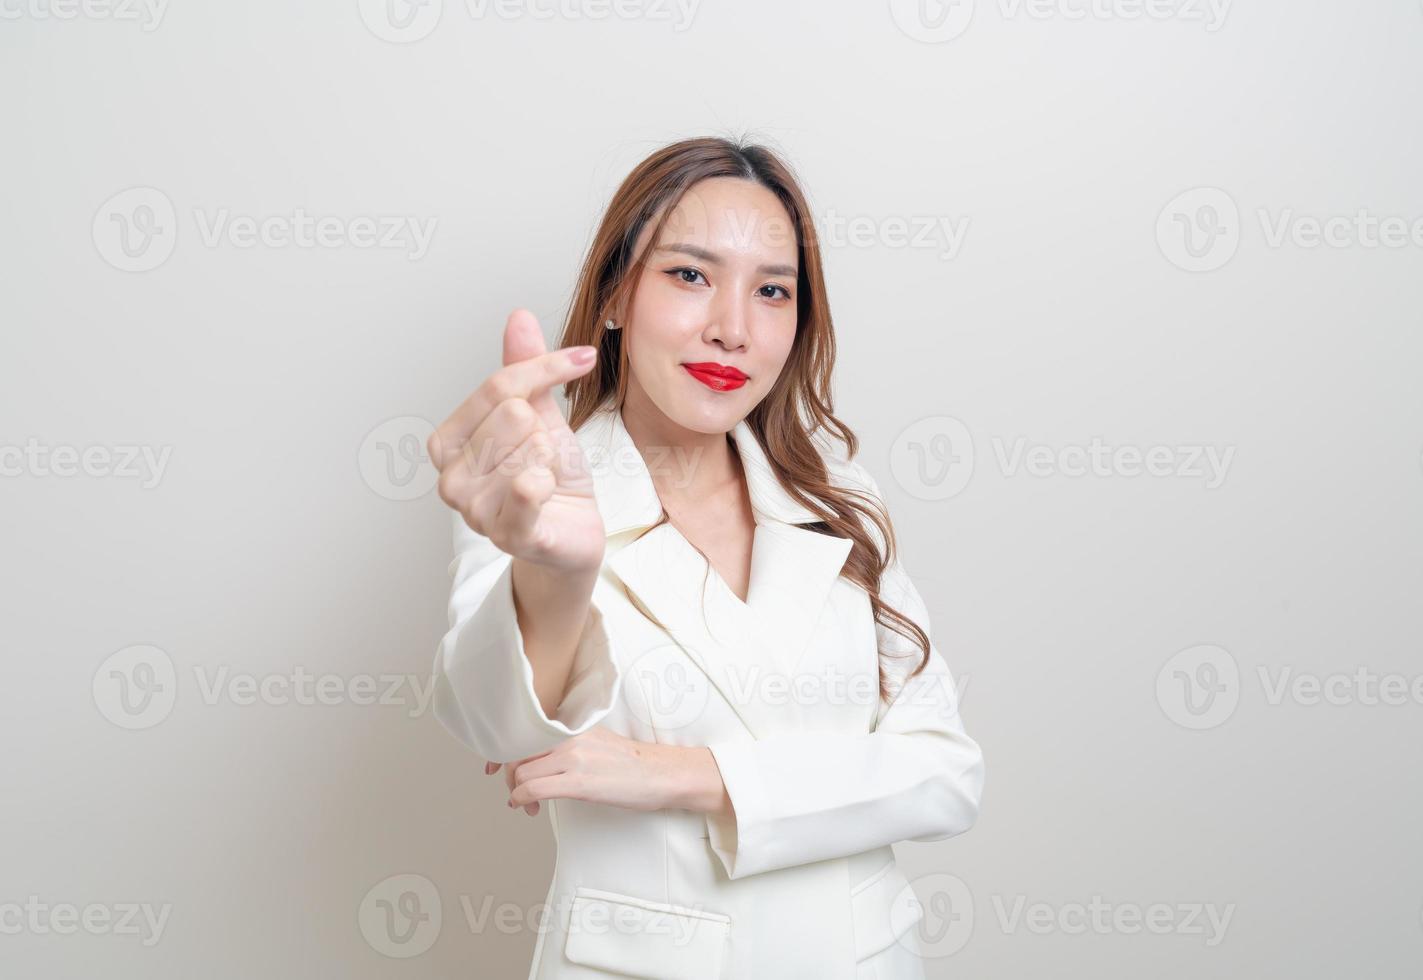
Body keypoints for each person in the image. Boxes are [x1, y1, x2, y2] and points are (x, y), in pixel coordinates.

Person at [427, 136, 985, 980]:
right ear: (616, 295)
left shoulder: (837, 494)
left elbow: (945, 772)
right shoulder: (538, 494)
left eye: (771, 291)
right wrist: (561, 570)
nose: (731, 328)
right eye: (689, 275)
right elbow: (493, 722)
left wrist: (688, 776)